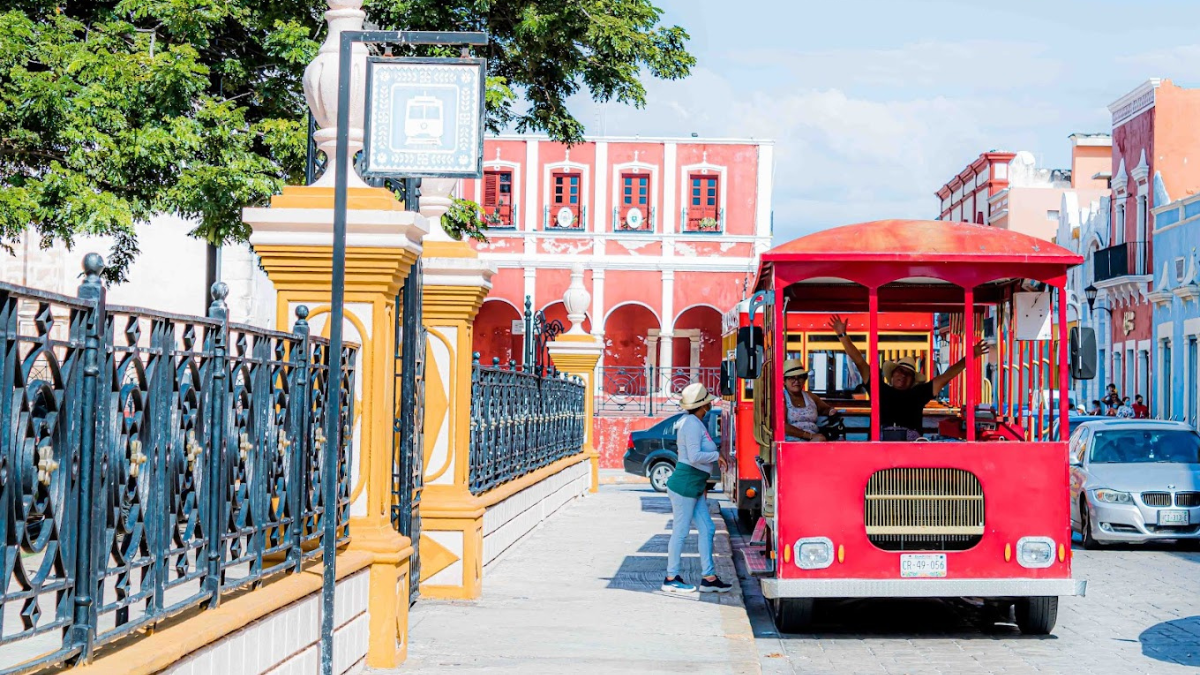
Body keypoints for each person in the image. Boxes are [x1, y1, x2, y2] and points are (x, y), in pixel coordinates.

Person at [830, 314, 989, 439]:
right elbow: (859, 360)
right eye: (900, 371)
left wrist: (970, 356)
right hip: (879, 449)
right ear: (892, 374)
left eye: (907, 374)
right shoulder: (879, 389)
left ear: (913, 380)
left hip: (911, 451)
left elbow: (946, 376)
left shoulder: (918, 394)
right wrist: (842, 335)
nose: (902, 376)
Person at [661, 383, 733, 595]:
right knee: (681, 532)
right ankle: (671, 577)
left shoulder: (695, 422)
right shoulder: (691, 424)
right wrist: (716, 456)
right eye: (708, 401)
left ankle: (709, 578)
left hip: (694, 486)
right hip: (685, 485)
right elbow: (693, 457)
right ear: (702, 406)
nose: (711, 403)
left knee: (708, 528)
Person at [782, 359, 839, 441]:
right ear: (784, 381)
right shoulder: (782, 398)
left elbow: (826, 409)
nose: (796, 381)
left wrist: (831, 411)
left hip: (813, 440)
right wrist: (809, 436)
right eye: (792, 378)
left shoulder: (810, 397)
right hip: (791, 442)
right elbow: (782, 425)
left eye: (800, 377)